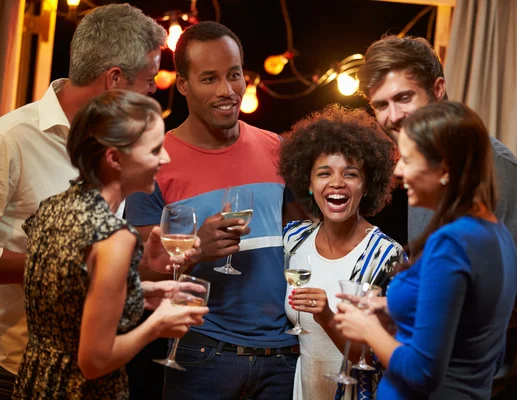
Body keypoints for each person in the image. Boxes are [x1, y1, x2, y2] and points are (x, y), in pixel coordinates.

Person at [125, 21, 304, 400]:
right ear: (183, 85)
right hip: (202, 354)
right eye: (209, 79)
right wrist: (195, 249)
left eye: (234, 75)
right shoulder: (154, 161)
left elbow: (306, 243)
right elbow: (133, 271)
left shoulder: (279, 149)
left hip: (284, 359)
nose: (227, 91)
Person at [0, 4, 167, 398]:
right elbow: (86, 262)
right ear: (113, 79)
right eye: (149, 78)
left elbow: (98, 268)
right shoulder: (11, 139)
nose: (152, 90)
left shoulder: (118, 148)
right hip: (15, 370)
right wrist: (86, 266)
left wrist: (136, 271)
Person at [359, 35, 517, 399]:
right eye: (381, 105)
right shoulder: (423, 173)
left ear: (438, 89)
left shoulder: (494, 169)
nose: (392, 116)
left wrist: (400, 327)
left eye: (404, 97)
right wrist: (397, 309)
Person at [11, 90, 209, 400]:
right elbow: (94, 361)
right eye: (155, 149)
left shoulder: (53, 207)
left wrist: (138, 288)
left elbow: (68, 292)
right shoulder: (113, 237)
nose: (165, 158)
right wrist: (157, 325)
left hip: (36, 382)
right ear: (114, 158)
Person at [334, 101, 517, 399]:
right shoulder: (496, 233)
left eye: (407, 159)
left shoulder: (452, 243)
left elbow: (423, 372)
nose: (397, 170)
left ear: (444, 168)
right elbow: (471, 333)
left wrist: (367, 328)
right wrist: (391, 309)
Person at [279, 104, 405, 400]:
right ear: (309, 184)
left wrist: (327, 316)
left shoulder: (387, 257)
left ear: (367, 184)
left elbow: (384, 359)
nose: (336, 183)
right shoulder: (293, 240)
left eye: (350, 174)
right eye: (324, 173)